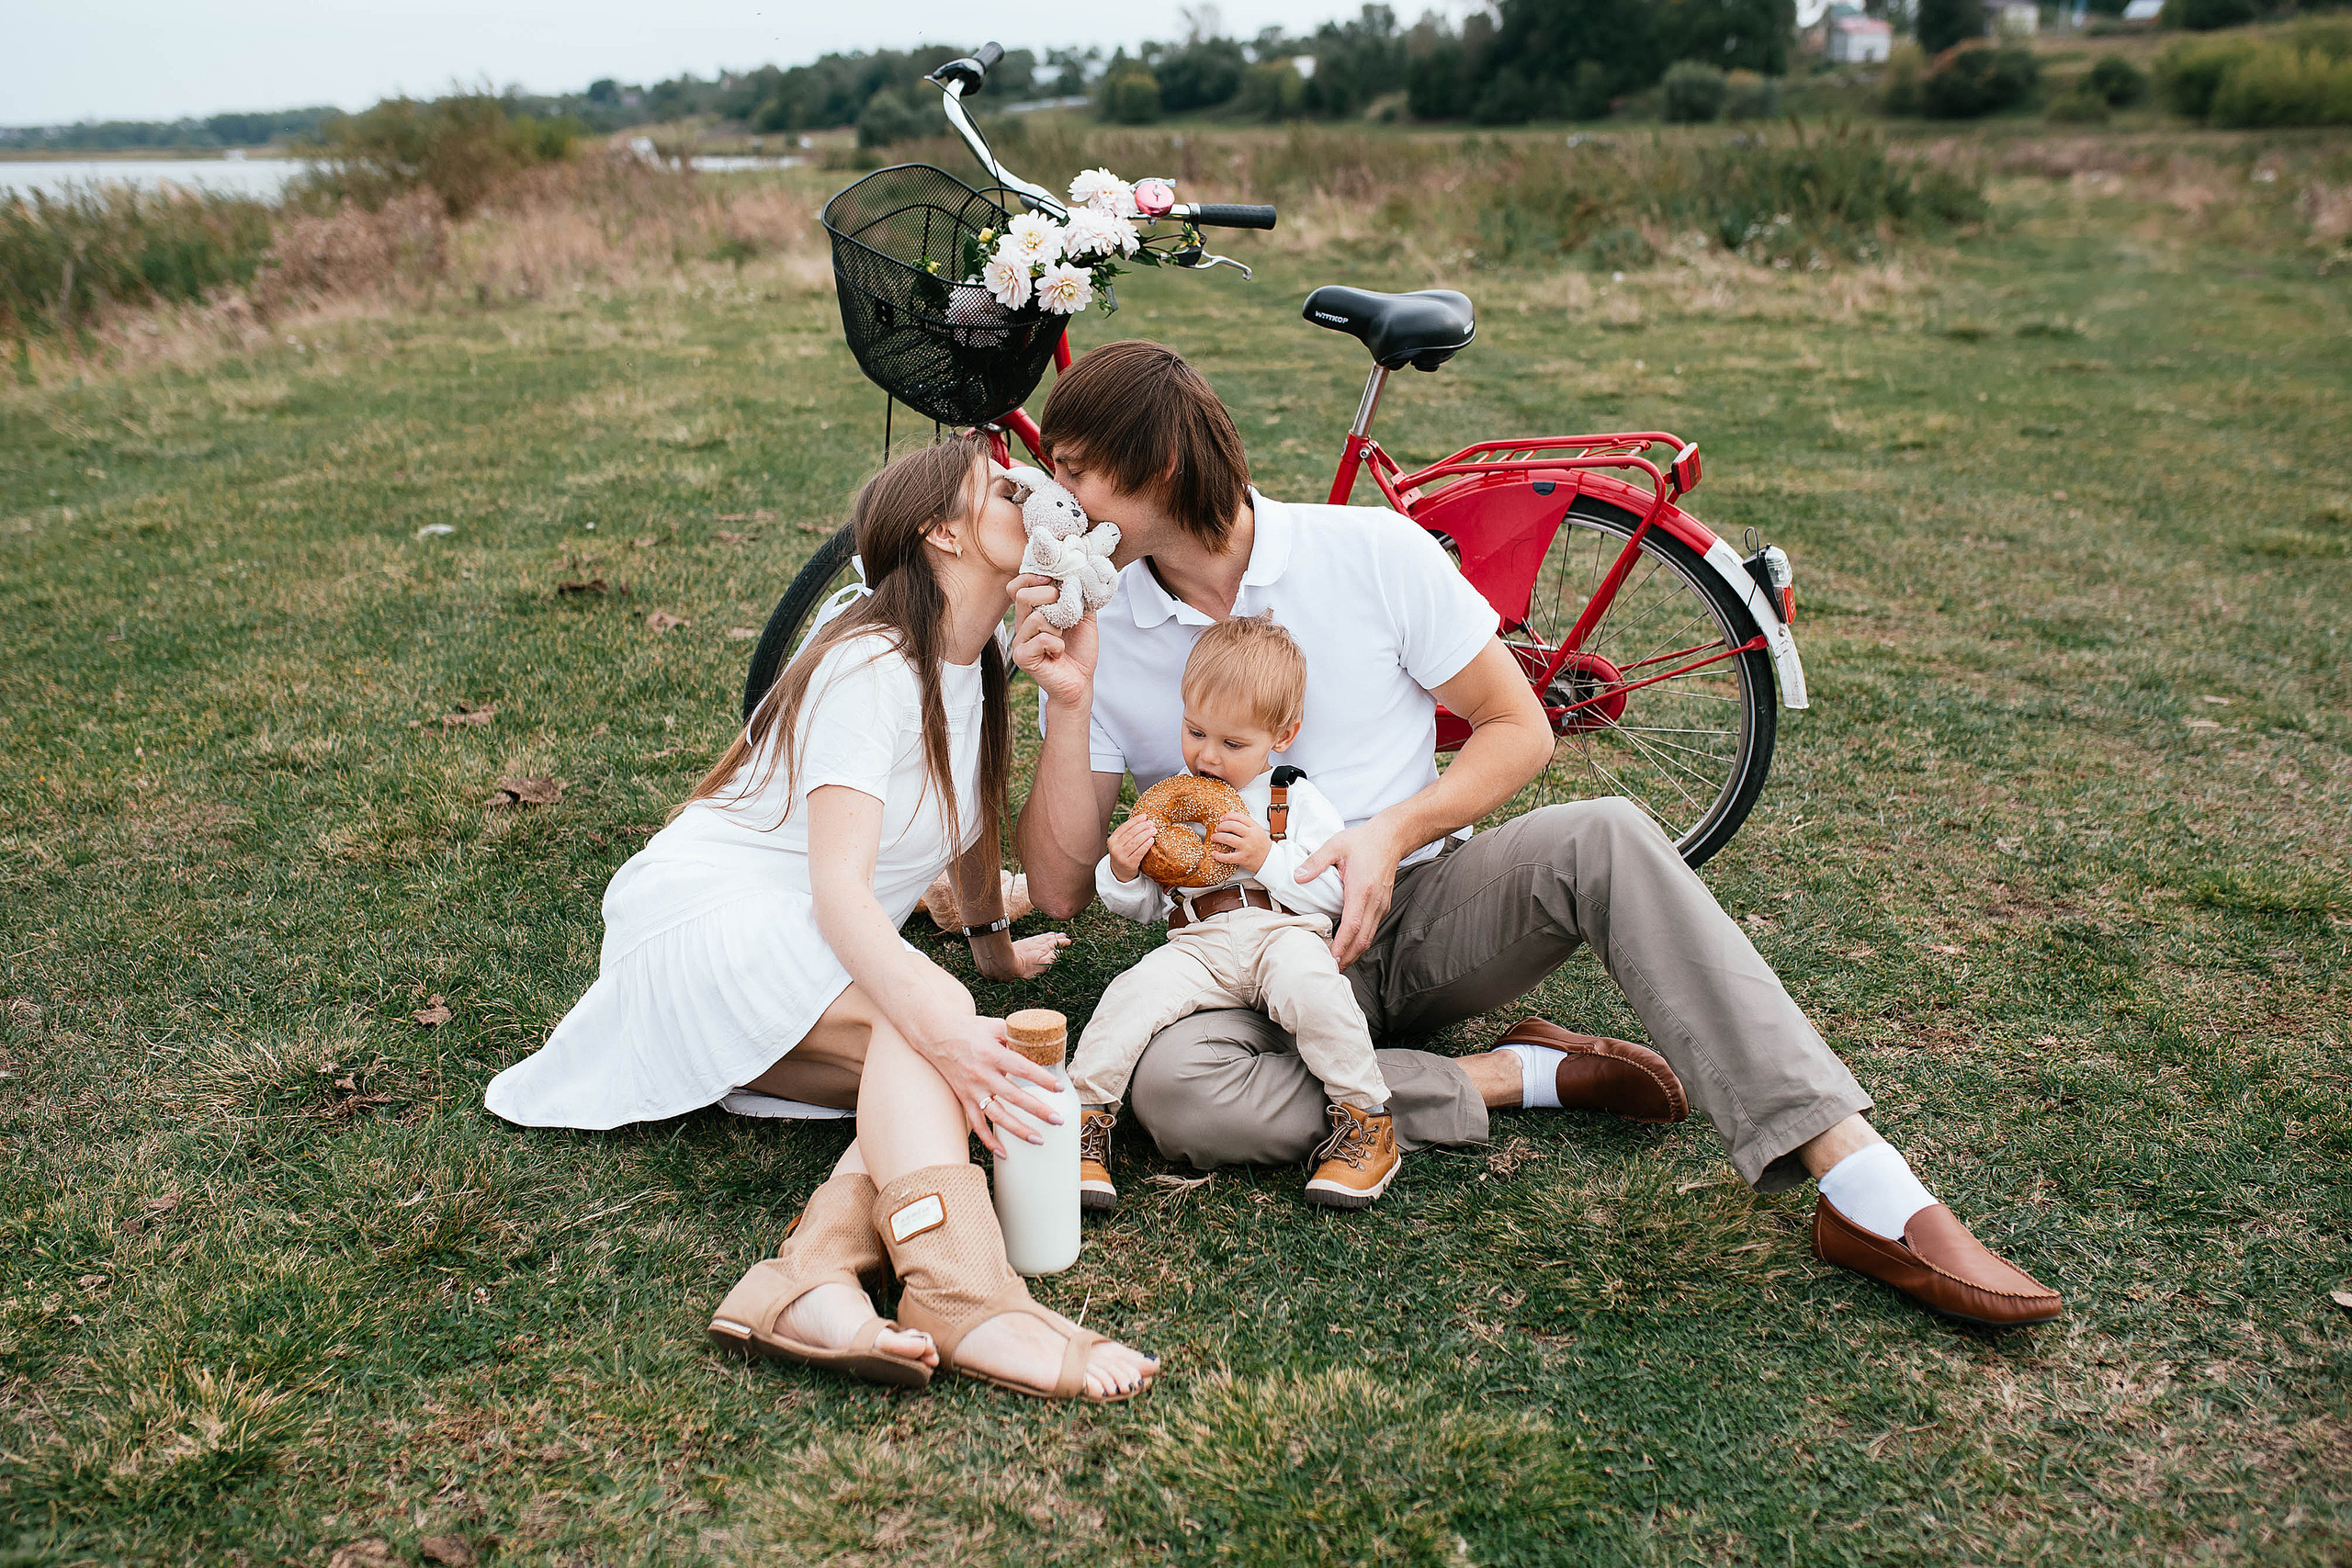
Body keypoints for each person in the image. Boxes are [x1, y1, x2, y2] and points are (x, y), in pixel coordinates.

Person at [1010, 340, 2063, 1329]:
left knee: (1602, 833)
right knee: (1177, 1099)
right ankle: (1508, 1078)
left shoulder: (1369, 552)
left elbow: (1518, 730)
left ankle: (1864, 1186)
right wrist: (1068, 698)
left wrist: (1391, 834)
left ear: (1160, 466)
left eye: (1077, 472)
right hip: (1239, 963)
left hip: (1419, 913)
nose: (1060, 501)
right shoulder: (1108, 628)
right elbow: (1059, 886)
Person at [485, 437, 1163, 1397]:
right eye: (1006, 490)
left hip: (802, 949)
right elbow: (840, 892)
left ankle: (807, 1277)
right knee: (938, 1039)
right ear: (942, 532)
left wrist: (991, 950)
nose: (1040, 501)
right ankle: (963, 1293)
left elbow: (966, 827)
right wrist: (939, 1005)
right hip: (712, 925)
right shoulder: (869, 665)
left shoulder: (973, 663)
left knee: (954, 1057)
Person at [1070, 614, 1405, 1212]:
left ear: (1282, 735)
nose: (1209, 756)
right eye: (1196, 731)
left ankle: (1366, 1121)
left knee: (1315, 989)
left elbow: (1333, 896)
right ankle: (1082, 1125)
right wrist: (1119, 870)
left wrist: (1266, 857)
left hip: (1284, 933)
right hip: (1198, 943)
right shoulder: (1173, 801)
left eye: (1233, 743)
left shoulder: (1292, 795)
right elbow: (1145, 905)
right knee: (1131, 993)